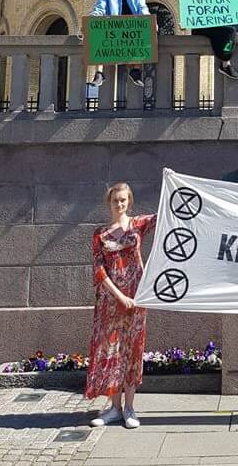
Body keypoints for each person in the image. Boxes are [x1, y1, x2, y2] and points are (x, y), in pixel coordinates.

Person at [85, 182, 156, 429]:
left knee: (132, 350)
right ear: (109, 203)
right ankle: (114, 408)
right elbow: (99, 270)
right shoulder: (100, 234)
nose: (119, 204)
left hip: (136, 299)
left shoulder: (137, 225)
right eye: (116, 200)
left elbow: (165, 216)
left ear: (130, 201)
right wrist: (118, 296)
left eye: (123, 200)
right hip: (110, 302)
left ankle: (130, 408)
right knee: (111, 352)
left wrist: (173, 182)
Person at [89, 0, 149, 87]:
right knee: (99, 35)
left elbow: (142, 7)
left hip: (131, 26)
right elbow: (100, 7)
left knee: (143, 34)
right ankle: (99, 73)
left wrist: (149, 20)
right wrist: (93, 16)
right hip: (113, 25)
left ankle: (135, 70)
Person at [191, 0, 238, 80]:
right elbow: (188, 3)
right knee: (229, 31)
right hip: (201, 28)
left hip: (214, 27)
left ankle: (225, 57)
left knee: (231, 30)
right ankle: (225, 63)